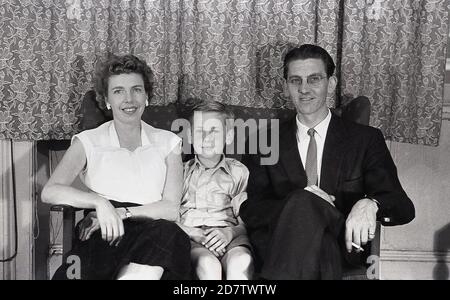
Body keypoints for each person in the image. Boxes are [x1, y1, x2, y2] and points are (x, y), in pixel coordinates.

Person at [240, 44, 415, 279]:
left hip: (343, 241)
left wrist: (370, 203)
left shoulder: (364, 139)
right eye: (295, 81)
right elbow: (251, 210)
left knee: (321, 236)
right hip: (284, 243)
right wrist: (303, 202)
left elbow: (402, 206)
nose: (304, 89)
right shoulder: (264, 140)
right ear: (285, 86)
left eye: (314, 79)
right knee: (318, 238)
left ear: (331, 83)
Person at [41, 54, 191, 280]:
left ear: (147, 96)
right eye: (118, 91)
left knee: (169, 234)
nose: (129, 99)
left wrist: (123, 213)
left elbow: (170, 209)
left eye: (137, 89)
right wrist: (99, 203)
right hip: (105, 230)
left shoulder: (169, 142)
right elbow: (50, 191)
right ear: (107, 100)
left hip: (154, 229)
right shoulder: (88, 141)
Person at [176, 100, 254, 280]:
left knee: (242, 261)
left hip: (230, 235)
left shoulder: (239, 171)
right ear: (189, 135)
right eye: (199, 131)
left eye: (214, 131)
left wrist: (229, 233)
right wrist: (193, 234)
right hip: (192, 236)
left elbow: (246, 220)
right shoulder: (180, 171)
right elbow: (171, 217)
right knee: (208, 265)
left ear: (228, 136)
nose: (206, 138)